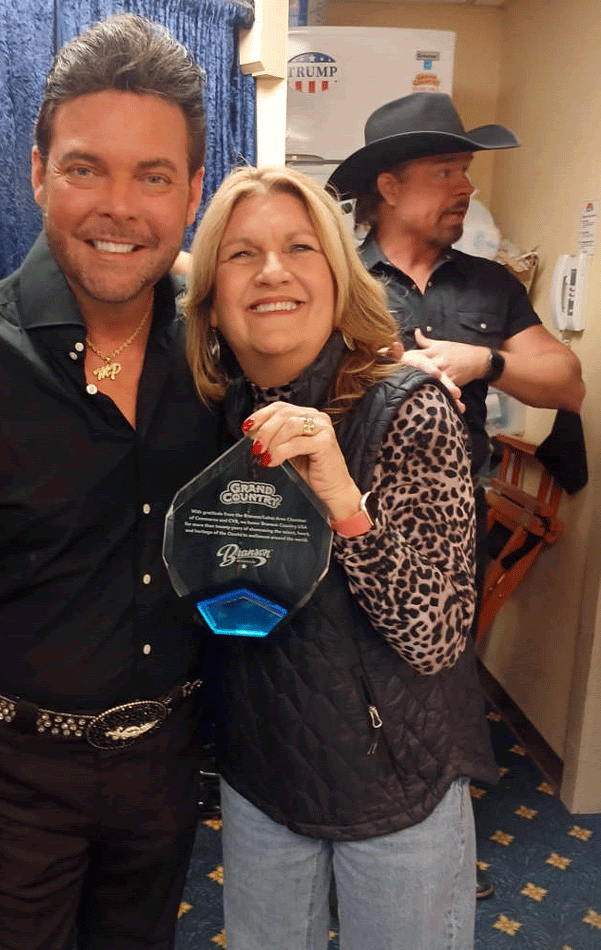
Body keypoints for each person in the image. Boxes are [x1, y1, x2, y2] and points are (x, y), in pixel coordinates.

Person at [0, 14, 220, 950]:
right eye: (84, 168)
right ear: (36, 174)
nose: (119, 206)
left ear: (191, 197)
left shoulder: (218, 355)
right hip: (7, 782)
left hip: (164, 773)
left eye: (154, 177)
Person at [182, 164, 499, 950]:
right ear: (213, 299)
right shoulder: (209, 418)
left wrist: (343, 498)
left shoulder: (407, 407)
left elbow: (432, 637)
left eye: (299, 248)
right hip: (265, 770)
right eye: (241, 255)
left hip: (397, 779)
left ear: (337, 274)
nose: (273, 273)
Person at [327, 92, 585, 899]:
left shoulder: (488, 285)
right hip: (345, 521)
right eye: (446, 171)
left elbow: (568, 383)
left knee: (439, 685)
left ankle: (432, 850)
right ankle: (339, 834)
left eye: (465, 172)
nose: (464, 187)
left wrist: (488, 365)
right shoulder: (336, 280)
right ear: (390, 186)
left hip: (446, 531)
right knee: (339, 683)